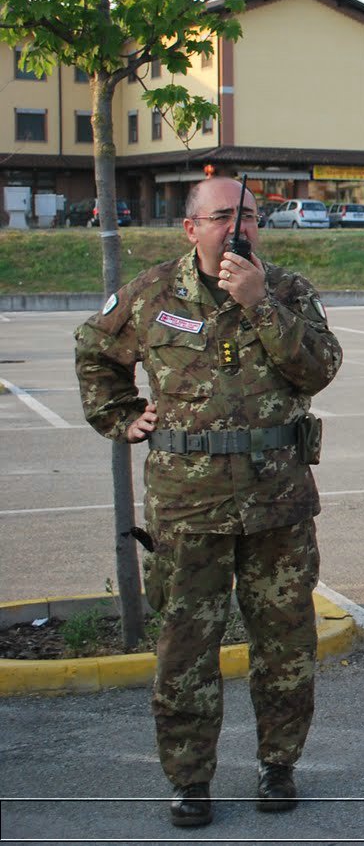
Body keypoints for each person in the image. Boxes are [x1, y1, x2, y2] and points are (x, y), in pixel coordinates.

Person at [74, 177, 342, 829]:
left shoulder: (286, 291)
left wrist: (258, 305)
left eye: (248, 214)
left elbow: (319, 368)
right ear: (191, 228)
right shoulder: (151, 295)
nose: (237, 225)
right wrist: (122, 414)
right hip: (186, 507)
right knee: (184, 648)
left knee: (284, 644)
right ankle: (190, 779)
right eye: (222, 215)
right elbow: (95, 349)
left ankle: (278, 766)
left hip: (276, 503)